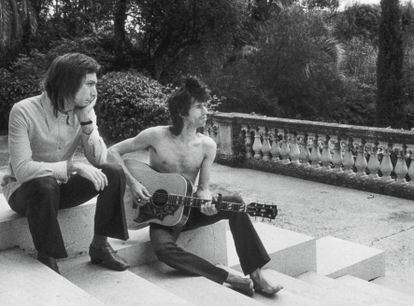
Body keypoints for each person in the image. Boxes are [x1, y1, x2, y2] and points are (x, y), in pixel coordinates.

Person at [108, 76, 283, 296]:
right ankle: (228, 277)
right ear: (182, 111)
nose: (206, 111)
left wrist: (206, 200)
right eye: (199, 106)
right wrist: (132, 183)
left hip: (189, 209)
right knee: (163, 250)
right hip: (160, 213)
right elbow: (112, 152)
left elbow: (203, 188)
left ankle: (256, 275)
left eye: (205, 105)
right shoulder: (155, 136)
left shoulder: (207, 146)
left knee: (236, 203)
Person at [1, 53, 130, 273]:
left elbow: (99, 159)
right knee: (45, 183)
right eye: (89, 84)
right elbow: (22, 171)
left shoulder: (84, 112)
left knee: (114, 171)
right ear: (68, 82)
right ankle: (48, 257)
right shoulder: (23, 111)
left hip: (59, 191)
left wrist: (87, 123)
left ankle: (100, 245)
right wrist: (72, 166)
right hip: (24, 192)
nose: (94, 92)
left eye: (95, 84)